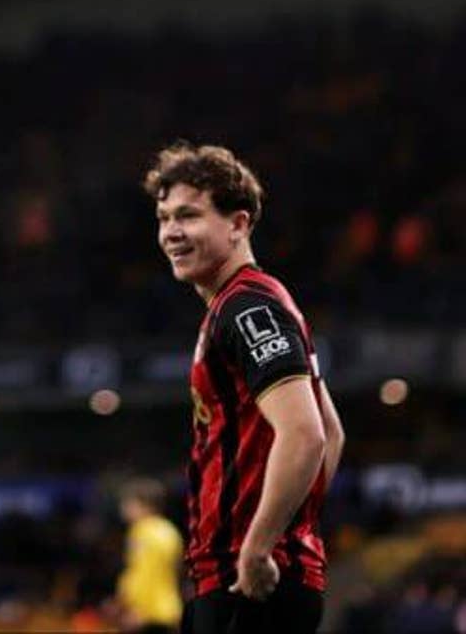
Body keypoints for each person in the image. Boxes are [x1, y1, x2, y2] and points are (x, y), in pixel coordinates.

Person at [145, 142, 343, 634]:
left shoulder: (248, 308)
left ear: (238, 224)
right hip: (246, 575)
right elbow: (331, 433)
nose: (171, 232)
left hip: (250, 579)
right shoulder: (245, 304)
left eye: (189, 216)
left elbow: (306, 435)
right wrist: (290, 532)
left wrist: (261, 546)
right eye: (164, 217)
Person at [114, 479, 183, 634]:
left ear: (141, 504)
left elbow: (143, 573)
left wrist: (136, 609)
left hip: (147, 614)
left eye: (127, 503)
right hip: (170, 609)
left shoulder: (141, 532)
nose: (123, 508)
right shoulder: (170, 531)